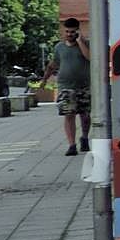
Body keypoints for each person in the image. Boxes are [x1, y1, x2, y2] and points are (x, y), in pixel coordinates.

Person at [54, 18, 91, 157]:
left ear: (78, 31)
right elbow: (55, 63)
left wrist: (80, 41)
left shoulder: (86, 44)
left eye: (73, 32)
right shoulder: (59, 47)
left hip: (84, 85)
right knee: (69, 114)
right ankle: (72, 145)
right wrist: (45, 78)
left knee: (85, 115)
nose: (69, 34)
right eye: (67, 32)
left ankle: (85, 138)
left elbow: (90, 57)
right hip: (65, 86)